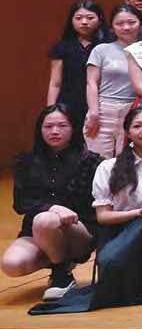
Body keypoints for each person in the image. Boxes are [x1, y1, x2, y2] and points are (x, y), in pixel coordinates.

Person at [31, 105, 142, 315]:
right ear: (127, 131)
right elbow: (103, 217)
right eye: (137, 126)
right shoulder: (108, 167)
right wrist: (140, 212)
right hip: (121, 232)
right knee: (111, 261)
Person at [4, 105, 100, 300]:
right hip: (37, 230)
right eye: (48, 126)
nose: (55, 131)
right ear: (40, 130)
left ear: (73, 128)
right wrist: (53, 208)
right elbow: (21, 203)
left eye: (62, 126)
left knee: (45, 220)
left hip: (79, 232)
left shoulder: (91, 162)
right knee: (12, 264)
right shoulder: (27, 161)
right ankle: (61, 261)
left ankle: (60, 276)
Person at [85, 5, 142, 155]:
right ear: (112, 27)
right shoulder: (101, 50)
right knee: (97, 161)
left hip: (134, 111)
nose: (126, 27)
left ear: (141, 24)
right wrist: (94, 112)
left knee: (127, 162)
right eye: (119, 24)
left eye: (132, 22)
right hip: (103, 110)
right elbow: (91, 83)